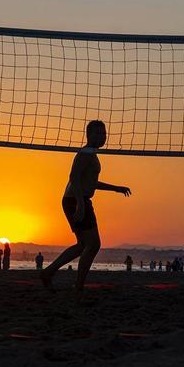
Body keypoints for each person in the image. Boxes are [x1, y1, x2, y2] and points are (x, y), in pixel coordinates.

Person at [40, 120, 131, 295]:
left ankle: (48, 273)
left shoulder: (92, 154)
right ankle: (78, 287)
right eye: (97, 133)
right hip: (75, 199)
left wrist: (115, 188)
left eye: (103, 133)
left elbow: (90, 182)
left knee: (83, 245)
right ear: (88, 136)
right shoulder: (85, 154)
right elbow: (73, 178)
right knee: (93, 244)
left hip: (78, 199)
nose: (101, 136)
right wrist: (80, 205)